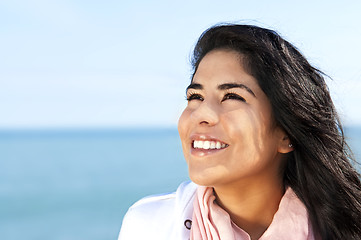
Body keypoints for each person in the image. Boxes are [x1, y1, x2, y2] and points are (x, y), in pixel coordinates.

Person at [118, 24, 361, 240]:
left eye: (232, 96)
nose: (202, 114)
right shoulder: (147, 225)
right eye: (196, 96)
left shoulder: (347, 226)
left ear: (286, 133)